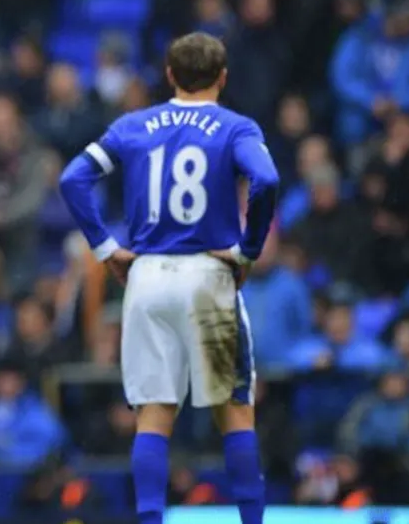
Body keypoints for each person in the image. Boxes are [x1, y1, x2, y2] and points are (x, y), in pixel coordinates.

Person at [58, 32, 280, 524]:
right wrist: (248, 251)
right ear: (222, 78)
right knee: (234, 413)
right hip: (208, 274)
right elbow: (266, 179)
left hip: (147, 275)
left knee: (154, 417)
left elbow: (73, 178)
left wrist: (105, 248)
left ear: (169, 75)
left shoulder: (133, 125)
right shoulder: (235, 127)